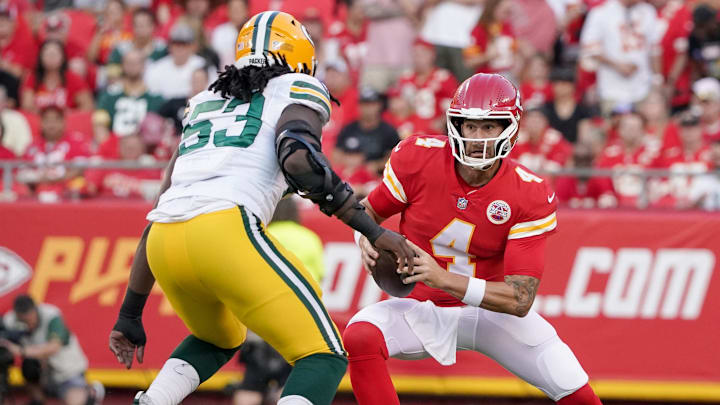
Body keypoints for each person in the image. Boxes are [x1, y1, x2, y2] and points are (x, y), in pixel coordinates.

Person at [108, 11, 414, 405]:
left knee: (218, 337)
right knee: (325, 353)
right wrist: (374, 230)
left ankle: (154, 399)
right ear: (300, 56)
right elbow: (299, 161)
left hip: (164, 244)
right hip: (223, 229)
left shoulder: (205, 101)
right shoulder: (295, 86)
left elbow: (162, 207)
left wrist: (130, 313)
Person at [343, 73, 602, 405]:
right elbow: (367, 212)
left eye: (490, 127)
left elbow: (519, 300)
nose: (478, 138)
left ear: (510, 128)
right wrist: (364, 238)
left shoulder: (529, 192)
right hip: (420, 306)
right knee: (360, 334)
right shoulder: (418, 158)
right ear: (456, 125)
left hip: (491, 314)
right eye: (470, 126)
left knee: (576, 391)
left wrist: (444, 278)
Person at [232, 197, 325, 405]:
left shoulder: (260, 235)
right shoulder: (310, 238)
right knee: (289, 380)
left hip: (261, 314)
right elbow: (318, 280)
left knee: (251, 381)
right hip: (298, 317)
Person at [0, 295, 103, 405]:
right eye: (24, 322)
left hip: (66, 372)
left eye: (30, 319)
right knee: (29, 366)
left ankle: (91, 393)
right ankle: (38, 400)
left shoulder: (51, 316)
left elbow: (54, 347)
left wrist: (21, 350)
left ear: (35, 310)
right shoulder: (10, 320)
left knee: (77, 402)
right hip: (42, 373)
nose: (28, 325)